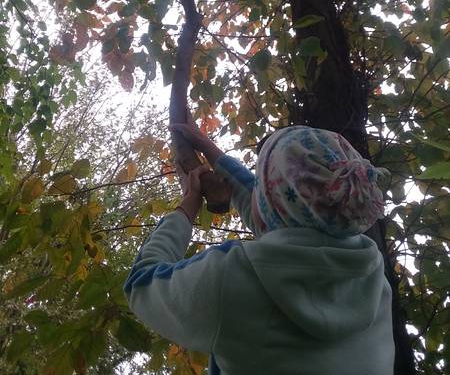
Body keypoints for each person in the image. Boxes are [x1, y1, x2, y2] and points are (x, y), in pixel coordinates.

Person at [124, 124, 395, 375]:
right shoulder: (373, 280)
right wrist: (210, 150)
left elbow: (141, 284)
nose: (255, 189)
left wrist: (188, 205)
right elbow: (282, 215)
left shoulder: (232, 280)